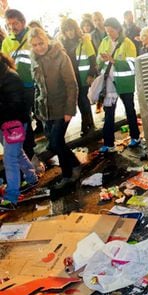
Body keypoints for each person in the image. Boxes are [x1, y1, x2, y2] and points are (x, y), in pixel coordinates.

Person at [29, 27, 81, 188]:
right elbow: (37, 85)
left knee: (57, 142)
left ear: (47, 40)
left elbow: (71, 85)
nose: (39, 47)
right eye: (35, 45)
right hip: (45, 110)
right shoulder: (35, 59)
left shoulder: (60, 56)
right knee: (54, 143)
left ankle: (67, 175)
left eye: (41, 43)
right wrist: (37, 108)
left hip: (61, 107)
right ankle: (75, 164)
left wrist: (69, 110)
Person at [97, 17, 141, 153]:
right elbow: (99, 61)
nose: (109, 34)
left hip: (124, 83)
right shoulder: (104, 42)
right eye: (107, 31)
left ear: (118, 29)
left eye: (111, 31)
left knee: (129, 110)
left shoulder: (128, 43)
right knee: (109, 113)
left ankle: (135, 137)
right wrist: (101, 60)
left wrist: (114, 61)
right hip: (109, 83)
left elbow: (133, 65)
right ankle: (108, 143)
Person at [0, 52, 38, 208]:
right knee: (17, 153)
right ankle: (31, 178)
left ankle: (11, 197)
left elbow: (15, 106)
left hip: (14, 124)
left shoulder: (10, 77)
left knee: (10, 159)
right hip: (4, 123)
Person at [2, 9, 36, 160]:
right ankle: (29, 149)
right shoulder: (7, 42)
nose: (12, 27)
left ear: (23, 22)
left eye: (15, 23)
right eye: (9, 25)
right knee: (24, 118)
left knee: (40, 116)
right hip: (17, 88)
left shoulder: (33, 37)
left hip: (35, 85)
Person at [60, 18, 97, 136]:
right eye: (67, 30)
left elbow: (92, 57)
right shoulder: (62, 44)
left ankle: (86, 123)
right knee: (78, 99)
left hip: (83, 75)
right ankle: (87, 122)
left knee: (82, 99)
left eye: (71, 29)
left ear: (76, 29)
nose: (70, 33)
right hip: (70, 76)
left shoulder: (84, 40)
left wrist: (91, 74)